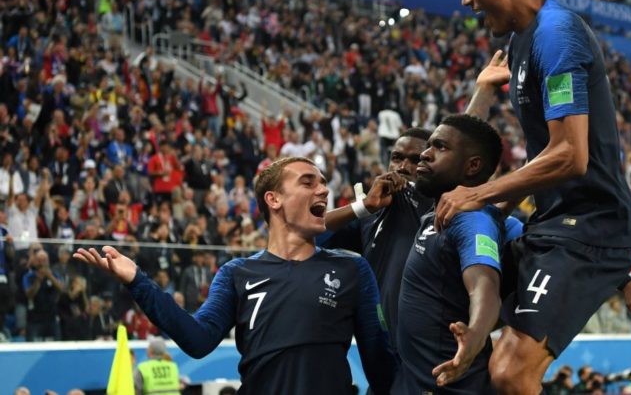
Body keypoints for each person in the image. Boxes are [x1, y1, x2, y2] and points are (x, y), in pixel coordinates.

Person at [434, 0, 631, 393]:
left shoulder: (556, 35)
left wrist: (479, 196)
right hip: (557, 225)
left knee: (510, 372)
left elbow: (570, 157)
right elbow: (549, 161)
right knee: (445, 305)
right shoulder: (521, 40)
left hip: (589, 229)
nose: (466, 0)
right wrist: (619, 280)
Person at [75, 157, 396, 395]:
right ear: (273, 199)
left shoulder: (352, 270)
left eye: (323, 182)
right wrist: (137, 280)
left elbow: (381, 367)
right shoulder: (237, 274)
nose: (323, 189)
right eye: (308, 182)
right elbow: (198, 339)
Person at [394, 114, 523, 394]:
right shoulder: (439, 215)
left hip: (448, 386)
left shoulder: (471, 219)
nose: (425, 154)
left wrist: (475, 334)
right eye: (429, 145)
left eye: (439, 147)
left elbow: (484, 286)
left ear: (472, 166)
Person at [323, 127, 433, 344]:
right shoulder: (370, 214)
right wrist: (363, 206)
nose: (403, 167)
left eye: (415, 160)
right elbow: (312, 230)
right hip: (380, 343)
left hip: (425, 343)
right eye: (397, 158)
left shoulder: (440, 209)